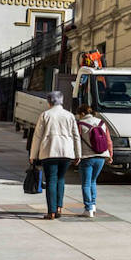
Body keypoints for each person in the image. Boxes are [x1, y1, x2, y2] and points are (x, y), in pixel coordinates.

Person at [28, 91, 81, 219]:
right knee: (61, 179)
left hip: (49, 151)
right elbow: (76, 136)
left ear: (49, 102)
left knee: (51, 179)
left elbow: (37, 136)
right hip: (66, 152)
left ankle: (51, 211)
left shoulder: (45, 115)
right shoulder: (69, 116)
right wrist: (78, 153)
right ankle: (59, 207)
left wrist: (33, 154)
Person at [75, 104, 112, 217]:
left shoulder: (80, 124)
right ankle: (94, 205)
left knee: (86, 184)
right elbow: (108, 140)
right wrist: (110, 154)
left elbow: (76, 141)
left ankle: (88, 209)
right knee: (93, 182)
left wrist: (76, 156)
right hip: (101, 156)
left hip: (87, 157)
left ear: (82, 114)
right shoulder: (101, 123)